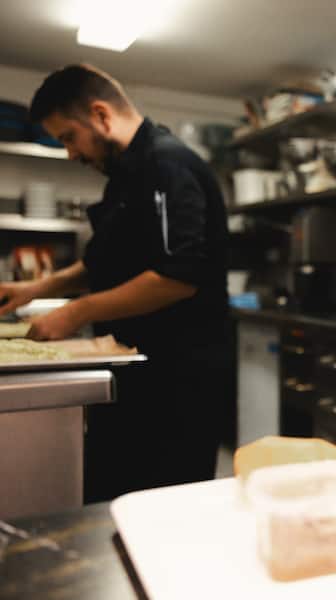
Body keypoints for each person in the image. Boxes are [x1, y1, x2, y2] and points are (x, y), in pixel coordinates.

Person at [0, 64, 231, 501]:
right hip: (136, 369)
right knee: (116, 494)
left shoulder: (168, 163)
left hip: (178, 382)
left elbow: (177, 277)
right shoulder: (127, 175)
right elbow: (101, 263)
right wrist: (35, 289)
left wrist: (77, 311)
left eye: (69, 137)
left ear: (101, 115)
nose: (70, 153)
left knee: (162, 504)